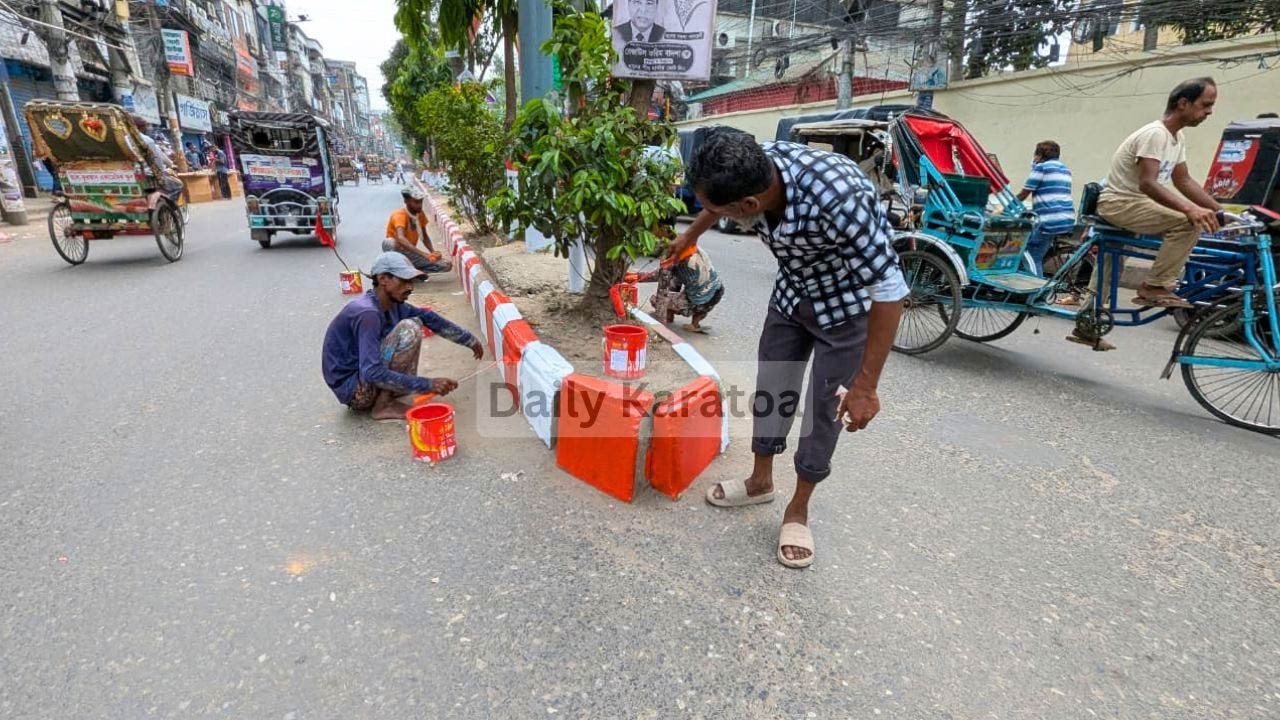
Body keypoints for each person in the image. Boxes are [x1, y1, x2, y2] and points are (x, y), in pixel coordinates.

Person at [672, 129, 907, 569]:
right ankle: (760, 481)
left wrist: (866, 387)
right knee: (773, 389)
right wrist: (691, 238)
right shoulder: (752, 166)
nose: (707, 216)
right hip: (792, 295)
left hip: (847, 309)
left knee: (825, 409)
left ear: (749, 207)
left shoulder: (841, 198)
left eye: (714, 213)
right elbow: (714, 203)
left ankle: (798, 507)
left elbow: (891, 289)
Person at [1073, 77, 1222, 350]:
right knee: (1188, 224)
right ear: (1183, 103)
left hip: (1134, 205)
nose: (1209, 112)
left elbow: (1184, 181)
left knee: (1109, 265)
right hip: (1122, 203)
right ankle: (1155, 285)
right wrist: (1191, 210)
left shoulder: (1177, 138)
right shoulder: (1156, 134)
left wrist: (1219, 210)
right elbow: (1148, 183)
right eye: (1205, 105)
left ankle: (1085, 326)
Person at [321, 252, 484, 420]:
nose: (410, 287)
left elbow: (428, 317)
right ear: (383, 279)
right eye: (404, 281)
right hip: (355, 391)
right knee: (409, 329)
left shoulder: (392, 305)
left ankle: (388, 394)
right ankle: (383, 405)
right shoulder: (367, 313)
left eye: (411, 282)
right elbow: (370, 372)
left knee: (416, 320)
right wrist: (428, 384)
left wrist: (468, 340)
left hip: (364, 381)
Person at [1015, 140, 1075, 276]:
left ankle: (1037, 293)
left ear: (1039, 155)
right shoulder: (1065, 170)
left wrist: (1007, 207)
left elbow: (1024, 193)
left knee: (1032, 256)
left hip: (1049, 220)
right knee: (1038, 250)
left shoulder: (1041, 168)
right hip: (1066, 218)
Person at [634, 242, 724, 333]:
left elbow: (662, 294)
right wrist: (637, 277)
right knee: (677, 278)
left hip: (698, 302)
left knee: (655, 299)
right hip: (717, 292)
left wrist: (659, 324)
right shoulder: (693, 248)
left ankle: (667, 316)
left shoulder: (672, 261)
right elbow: (660, 274)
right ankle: (695, 323)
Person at [384, 186, 453, 274]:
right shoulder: (399, 215)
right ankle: (403, 269)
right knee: (390, 242)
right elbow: (400, 238)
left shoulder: (420, 214)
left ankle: (411, 272)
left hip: (410, 254)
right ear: (406, 201)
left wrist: (433, 252)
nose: (419, 205)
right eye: (416, 202)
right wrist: (424, 254)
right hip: (397, 252)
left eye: (421, 202)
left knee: (446, 265)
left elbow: (424, 235)